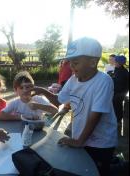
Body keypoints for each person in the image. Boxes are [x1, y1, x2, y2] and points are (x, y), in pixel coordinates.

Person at [29, 37, 118, 176]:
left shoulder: (103, 81)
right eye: (70, 62)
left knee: (97, 172)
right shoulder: (73, 79)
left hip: (101, 142)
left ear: (93, 62)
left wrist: (78, 141)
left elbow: (96, 115)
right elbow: (59, 101)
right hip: (80, 138)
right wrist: (42, 91)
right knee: (80, 170)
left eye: (75, 62)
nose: (71, 66)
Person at [111, 55, 129, 132]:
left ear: (119, 63)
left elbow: (126, 85)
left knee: (118, 106)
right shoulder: (116, 69)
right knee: (114, 106)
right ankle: (115, 120)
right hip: (115, 92)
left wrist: (123, 93)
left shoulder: (124, 72)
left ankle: (118, 121)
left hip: (120, 93)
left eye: (115, 62)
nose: (114, 63)